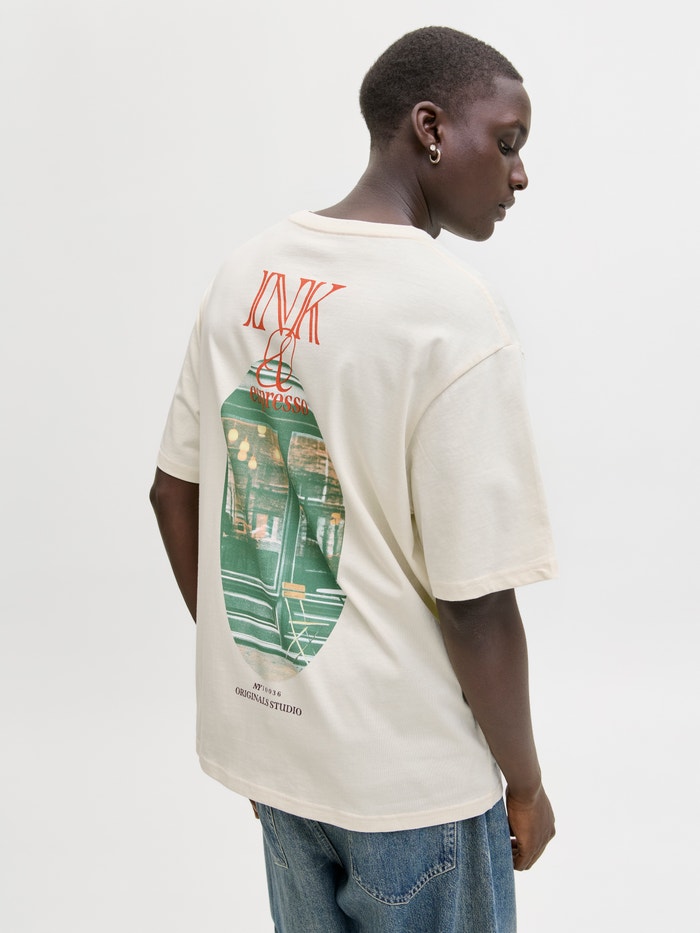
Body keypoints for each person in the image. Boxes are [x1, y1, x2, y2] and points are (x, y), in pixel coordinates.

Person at [151, 25, 557, 932]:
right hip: (414, 787)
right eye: (508, 142)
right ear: (430, 129)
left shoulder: (244, 273)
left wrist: (268, 680)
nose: (520, 174)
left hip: (283, 764)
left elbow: (173, 493)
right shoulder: (451, 314)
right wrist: (526, 784)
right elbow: (476, 601)